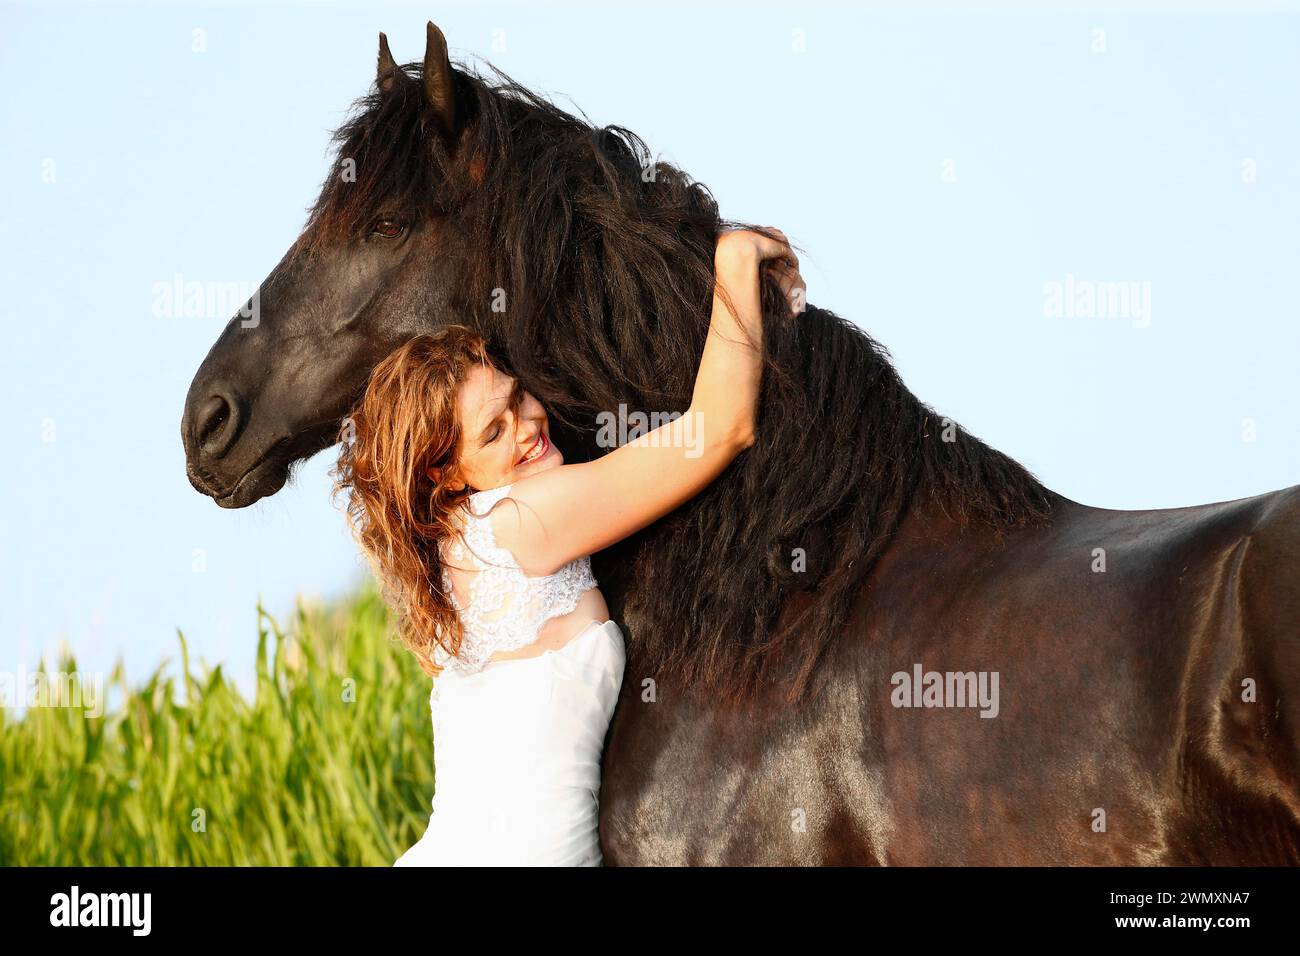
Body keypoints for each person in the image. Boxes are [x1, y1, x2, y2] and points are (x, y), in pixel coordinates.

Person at [333, 227, 805, 865]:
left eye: (517, 397)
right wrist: (733, 261)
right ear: (446, 475)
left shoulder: (450, 554)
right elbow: (719, 430)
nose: (527, 426)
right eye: (494, 432)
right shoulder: (520, 520)